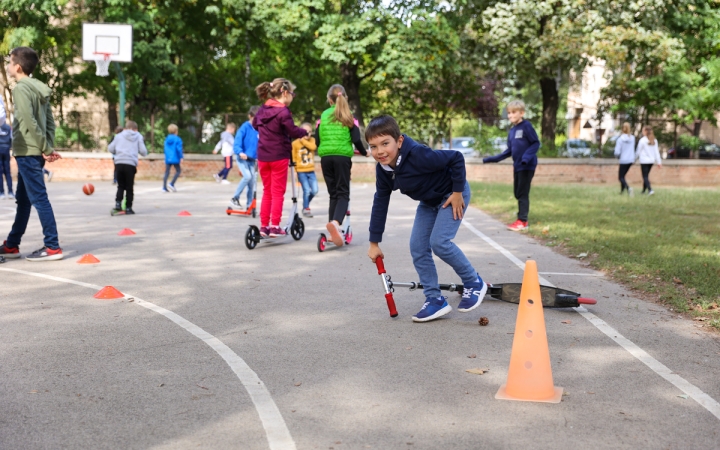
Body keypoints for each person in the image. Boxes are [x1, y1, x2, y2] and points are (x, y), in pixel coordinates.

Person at [366, 115, 488, 323]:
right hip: (428, 202)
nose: (380, 151)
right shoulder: (384, 171)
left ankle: (474, 282)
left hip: (452, 194)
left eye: (385, 143)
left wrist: (458, 192)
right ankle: (435, 299)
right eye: (373, 146)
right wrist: (374, 243)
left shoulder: (418, 155)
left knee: (439, 242)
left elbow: (456, 157)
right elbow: (380, 202)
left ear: (400, 141)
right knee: (417, 247)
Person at [0, 46, 63, 261]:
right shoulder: (41, 88)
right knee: (24, 200)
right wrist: (48, 146)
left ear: (17, 66)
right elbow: (50, 123)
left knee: (39, 198)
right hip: (33, 150)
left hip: (27, 150)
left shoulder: (20, 88)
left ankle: (52, 246)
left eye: (9, 62)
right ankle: (12, 244)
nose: (8, 66)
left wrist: (45, 148)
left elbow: (29, 120)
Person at [252, 78, 308, 237]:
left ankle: (264, 226)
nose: (293, 97)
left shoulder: (263, 109)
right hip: (279, 156)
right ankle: (275, 225)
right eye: (292, 94)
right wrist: (304, 132)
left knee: (267, 191)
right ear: (284, 93)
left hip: (263, 156)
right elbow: (292, 131)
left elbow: (255, 124)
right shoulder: (283, 111)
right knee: (278, 192)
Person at [316, 84, 367, 246]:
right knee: (343, 193)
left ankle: (333, 229)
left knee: (333, 194)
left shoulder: (323, 116)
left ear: (329, 100)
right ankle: (336, 224)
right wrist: (365, 152)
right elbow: (356, 139)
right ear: (344, 98)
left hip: (326, 158)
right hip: (342, 158)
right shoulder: (349, 116)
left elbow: (317, 140)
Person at [483, 100, 540, 231]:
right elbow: (509, 151)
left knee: (522, 193)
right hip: (518, 165)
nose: (510, 115)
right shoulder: (512, 131)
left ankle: (522, 221)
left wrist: (526, 157)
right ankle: (521, 218)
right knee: (517, 192)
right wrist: (491, 159)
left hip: (527, 165)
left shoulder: (527, 126)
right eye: (509, 113)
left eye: (513, 112)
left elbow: (535, 143)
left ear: (522, 113)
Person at [108, 120, 148, 214]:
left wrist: (118, 152)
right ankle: (129, 207)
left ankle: (118, 204)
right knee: (129, 187)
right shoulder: (138, 136)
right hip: (130, 163)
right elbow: (143, 152)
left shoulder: (119, 136)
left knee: (120, 186)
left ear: (126, 127)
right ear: (135, 129)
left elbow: (110, 148)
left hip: (119, 163)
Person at [231, 106, 260, 209]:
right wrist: (240, 152)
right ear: (250, 116)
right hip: (242, 158)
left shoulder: (259, 129)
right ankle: (235, 198)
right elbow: (237, 142)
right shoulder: (245, 127)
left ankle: (249, 205)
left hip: (252, 160)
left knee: (251, 183)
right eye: (255, 119)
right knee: (247, 176)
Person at [293, 122, 318, 217]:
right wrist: (294, 171)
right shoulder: (295, 143)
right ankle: (306, 208)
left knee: (315, 190)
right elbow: (294, 158)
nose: (308, 133)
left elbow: (313, 147)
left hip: (311, 170)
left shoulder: (312, 140)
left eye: (310, 131)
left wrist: (303, 140)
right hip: (301, 171)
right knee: (306, 190)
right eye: (305, 131)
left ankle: (305, 205)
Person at [635, 125, 662, 195]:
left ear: (646, 131)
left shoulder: (642, 140)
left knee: (645, 176)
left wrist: (634, 159)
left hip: (644, 161)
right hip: (651, 161)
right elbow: (656, 152)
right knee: (646, 175)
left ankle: (650, 190)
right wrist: (659, 162)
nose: (642, 132)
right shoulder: (654, 140)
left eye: (643, 130)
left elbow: (638, 151)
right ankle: (643, 191)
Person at [614, 122, 635, 195]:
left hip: (623, 160)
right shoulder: (632, 138)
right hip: (630, 160)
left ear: (622, 129)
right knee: (623, 176)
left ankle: (628, 188)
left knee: (620, 177)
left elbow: (617, 151)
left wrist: (617, 156)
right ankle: (622, 191)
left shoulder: (620, 139)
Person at [163, 124, 183, 192]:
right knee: (178, 171)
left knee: (167, 172)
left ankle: (164, 187)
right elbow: (179, 149)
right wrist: (181, 157)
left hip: (168, 158)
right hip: (175, 157)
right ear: (176, 131)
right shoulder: (178, 139)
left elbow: (165, 149)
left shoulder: (166, 139)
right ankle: (172, 183)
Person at [0, 122, 13, 199]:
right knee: (7, 172)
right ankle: (10, 192)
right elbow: (11, 139)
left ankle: (1, 192)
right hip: (6, 150)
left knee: (0, 173)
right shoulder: (8, 127)